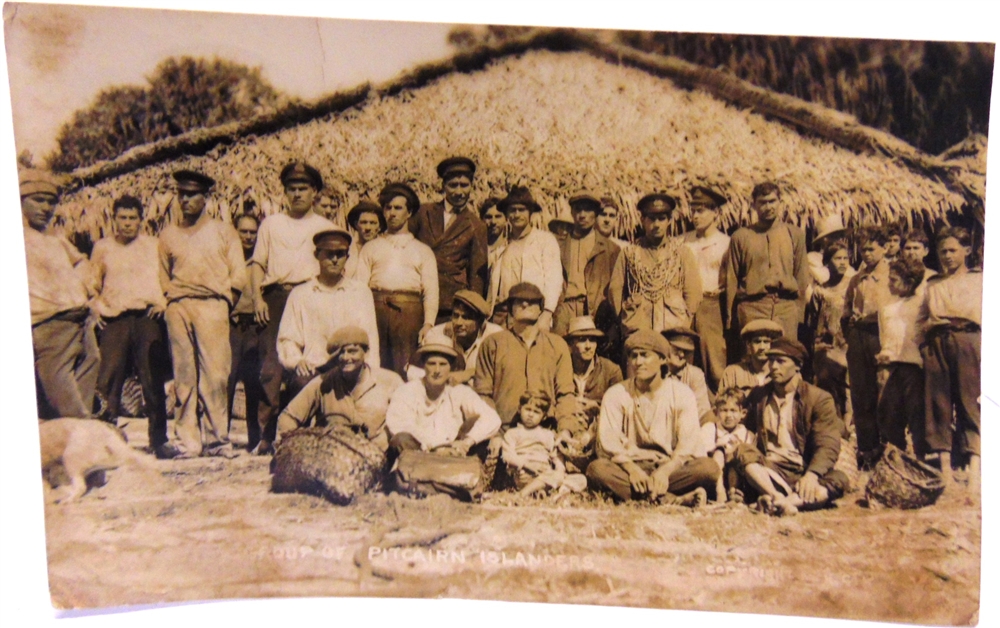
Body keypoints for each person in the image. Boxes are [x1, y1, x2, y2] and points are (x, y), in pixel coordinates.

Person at [249, 161, 338, 454]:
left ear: (314, 192)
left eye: (303, 188)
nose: (297, 194)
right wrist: (258, 298)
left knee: (311, 362)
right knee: (270, 368)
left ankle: (305, 430)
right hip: (275, 297)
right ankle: (266, 435)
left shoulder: (325, 227)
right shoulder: (271, 224)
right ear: (285, 192)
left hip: (311, 297)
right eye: (292, 189)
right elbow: (258, 264)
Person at [158, 169, 247, 459]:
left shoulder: (224, 230)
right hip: (179, 306)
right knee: (184, 377)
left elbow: (238, 275)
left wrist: (224, 304)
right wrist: (173, 304)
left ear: (205, 197)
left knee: (216, 375)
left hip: (213, 306)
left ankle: (218, 440)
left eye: (192, 194)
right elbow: (162, 275)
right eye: (181, 194)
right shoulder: (169, 234)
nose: (185, 200)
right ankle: (188, 442)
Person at [587, 329, 719, 506]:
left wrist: (665, 471)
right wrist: (632, 469)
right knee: (597, 470)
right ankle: (671, 500)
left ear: (663, 359)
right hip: (630, 467)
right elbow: (608, 441)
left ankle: (645, 497)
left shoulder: (681, 393)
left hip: (670, 467)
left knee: (708, 469)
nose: (638, 362)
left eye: (644, 355)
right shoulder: (616, 393)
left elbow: (688, 443)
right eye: (633, 356)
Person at [731, 337, 849, 516]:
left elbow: (827, 445)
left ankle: (784, 503)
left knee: (839, 479)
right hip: (767, 470)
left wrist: (812, 475)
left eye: (780, 361)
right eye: (771, 361)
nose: (773, 367)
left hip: (801, 471)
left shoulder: (818, 399)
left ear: (798, 365)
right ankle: (777, 497)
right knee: (743, 451)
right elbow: (735, 416)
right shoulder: (759, 396)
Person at [90, 195, 170, 453]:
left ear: (141, 219)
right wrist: (96, 308)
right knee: (108, 378)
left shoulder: (154, 245)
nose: (127, 223)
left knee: (152, 378)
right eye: (122, 218)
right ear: (114, 219)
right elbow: (91, 285)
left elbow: (168, 277)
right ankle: (104, 439)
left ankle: (159, 441)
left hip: (147, 317)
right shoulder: (102, 247)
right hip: (115, 319)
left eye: (132, 218)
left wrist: (164, 302)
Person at [20, 168, 100, 419]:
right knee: (59, 385)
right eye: (37, 200)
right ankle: (85, 433)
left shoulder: (55, 238)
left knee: (91, 362)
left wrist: (88, 287)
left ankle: (78, 435)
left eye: (51, 202)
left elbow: (81, 261)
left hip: (79, 317)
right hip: (49, 322)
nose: (46, 208)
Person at [385, 340, 502, 500]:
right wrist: (435, 448)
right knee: (400, 440)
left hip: (453, 456)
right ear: (423, 366)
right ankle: (436, 487)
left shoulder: (459, 392)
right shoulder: (408, 391)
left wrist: (467, 442)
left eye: (443, 364)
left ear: (451, 368)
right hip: (420, 455)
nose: (437, 370)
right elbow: (399, 424)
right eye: (431, 364)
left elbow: (492, 418)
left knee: (478, 430)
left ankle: (442, 487)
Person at [277, 229, 380, 400]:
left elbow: (370, 338)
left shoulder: (360, 292)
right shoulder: (301, 293)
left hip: (351, 366)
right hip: (316, 367)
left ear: (347, 257)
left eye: (340, 254)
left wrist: (370, 370)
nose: (334, 259)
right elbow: (287, 338)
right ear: (317, 255)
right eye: (328, 254)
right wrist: (297, 361)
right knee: (301, 385)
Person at [918, 227, 981, 493]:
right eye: (942, 251)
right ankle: (945, 468)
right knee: (938, 403)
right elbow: (920, 319)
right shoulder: (932, 284)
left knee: (971, 401)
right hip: (937, 342)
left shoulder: (981, 280)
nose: (947, 256)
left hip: (969, 340)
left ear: (967, 250)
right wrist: (924, 346)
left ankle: (974, 470)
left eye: (953, 250)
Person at [355, 183, 439, 376]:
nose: (392, 213)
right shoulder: (371, 248)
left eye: (398, 208)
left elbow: (431, 292)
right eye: (388, 208)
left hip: (408, 315)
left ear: (409, 213)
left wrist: (428, 324)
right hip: (376, 311)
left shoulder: (422, 250)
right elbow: (359, 289)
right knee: (375, 365)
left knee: (407, 367)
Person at [276, 326, 403, 451]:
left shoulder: (389, 381)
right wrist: (290, 448)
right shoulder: (323, 383)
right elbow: (288, 417)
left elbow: (408, 419)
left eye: (352, 351)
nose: (346, 358)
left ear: (366, 352)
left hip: (378, 456)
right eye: (341, 353)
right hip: (335, 459)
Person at [474, 282, 577, 431]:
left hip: (546, 432)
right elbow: (483, 395)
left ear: (541, 308)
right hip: (502, 432)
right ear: (510, 308)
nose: (524, 304)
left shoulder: (557, 345)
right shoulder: (493, 344)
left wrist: (565, 431)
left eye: (532, 301)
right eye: (518, 300)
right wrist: (492, 434)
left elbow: (565, 395)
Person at [608, 193, 702, 343]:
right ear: (642, 220)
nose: (656, 224)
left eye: (662, 219)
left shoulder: (682, 253)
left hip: (673, 330)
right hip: (638, 330)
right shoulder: (629, 253)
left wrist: (683, 323)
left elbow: (693, 293)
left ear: (670, 221)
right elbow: (615, 290)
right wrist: (627, 321)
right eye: (651, 219)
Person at [722, 182, 810, 343]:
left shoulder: (795, 234)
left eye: (772, 201)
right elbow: (732, 279)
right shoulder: (741, 237)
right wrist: (731, 319)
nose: (768, 207)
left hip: (785, 309)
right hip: (752, 308)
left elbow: (802, 277)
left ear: (780, 202)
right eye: (762, 202)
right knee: (753, 359)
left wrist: (799, 315)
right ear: (753, 205)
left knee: (784, 359)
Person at [410, 157, 489, 323]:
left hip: (450, 305)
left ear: (471, 187)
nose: (459, 191)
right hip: (417, 297)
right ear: (443, 186)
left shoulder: (476, 225)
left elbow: (476, 276)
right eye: (453, 185)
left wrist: (471, 312)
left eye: (464, 185)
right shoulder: (424, 213)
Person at [842, 226, 893, 469]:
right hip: (860, 337)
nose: (867, 254)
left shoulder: (893, 275)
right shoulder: (856, 279)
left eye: (871, 249)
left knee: (885, 393)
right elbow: (846, 312)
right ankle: (868, 452)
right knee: (861, 395)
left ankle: (891, 451)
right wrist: (852, 332)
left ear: (884, 248)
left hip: (883, 337)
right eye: (863, 250)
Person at [487, 187, 562, 329]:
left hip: (533, 313)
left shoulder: (544, 241)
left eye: (521, 210)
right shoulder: (502, 248)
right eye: (512, 210)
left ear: (530, 213)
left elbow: (554, 281)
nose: (517, 214)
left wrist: (546, 314)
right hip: (504, 316)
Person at [555, 316, 623, 472]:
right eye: (582, 340)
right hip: (566, 427)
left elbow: (620, 409)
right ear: (571, 344)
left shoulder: (611, 370)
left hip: (597, 432)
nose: (588, 346)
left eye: (592, 340)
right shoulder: (560, 368)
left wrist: (598, 407)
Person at [876, 258, 926, 456]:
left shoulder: (921, 303)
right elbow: (884, 335)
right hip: (889, 365)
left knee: (915, 413)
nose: (889, 284)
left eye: (894, 280)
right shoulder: (886, 305)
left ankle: (921, 458)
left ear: (910, 282)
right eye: (889, 279)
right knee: (888, 413)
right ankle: (897, 455)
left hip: (913, 366)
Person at [682, 186, 730, 392]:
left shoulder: (726, 243)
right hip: (685, 306)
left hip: (713, 306)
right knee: (686, 360)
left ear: (716, 213)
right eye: (693, 210)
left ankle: (724, 407)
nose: (695, 216)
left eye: (701, 211)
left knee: (715, 362)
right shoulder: (683, 241)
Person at [552, 194, 621, 336]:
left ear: (595, 213)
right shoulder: (558, 245)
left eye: (588, 210)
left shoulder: (611, 249)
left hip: (594, 310)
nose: (582, 215)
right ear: (572, 212)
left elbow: (617, 288)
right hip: (564, 309)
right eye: (578, 210)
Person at [405, 290, 503, 385]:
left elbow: (502, 372)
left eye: (466, 317)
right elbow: (413, 371)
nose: (459, 323)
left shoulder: (495, 336)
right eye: (456, 316)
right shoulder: (437, 334)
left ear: (480, 322)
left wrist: (470, 373)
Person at [502, 391, 588, 498]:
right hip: (524, 472)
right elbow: (507, 455)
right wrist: (526, 465)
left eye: (536, 412)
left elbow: (556, 456)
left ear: (543, 417)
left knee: (581, 479)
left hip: (544, 472)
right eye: (527, 409)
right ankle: (524, 493)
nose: (530, 415)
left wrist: (559, 470)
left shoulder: (547, 434)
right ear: (520, 409)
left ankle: (540, 492)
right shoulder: (513, 433)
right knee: (550, 478)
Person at [227, 212, 265, 450]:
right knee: (227, 379)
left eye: (253, 232)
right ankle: (220, 436)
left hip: (255, 327)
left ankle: (255, 439)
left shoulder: (262, 262)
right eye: (244, 231)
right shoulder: (227, 260)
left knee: (254, 382)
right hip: (231, 326)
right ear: (235, 232)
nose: (249, 237)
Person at [811, 238, 856, 423]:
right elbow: (815, 316)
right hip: (825, 344)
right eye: (838, 258)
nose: (843, 262)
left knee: (848, 385)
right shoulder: (820, 288)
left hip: (846, 342)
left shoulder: (853, 284)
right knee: (826, 383)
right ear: (828, 261)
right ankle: (832, 422)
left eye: (846, 258)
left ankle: (848, 423)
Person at [701, 388, 756, 504]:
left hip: (739, 477)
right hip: (715, 477)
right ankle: (720, 492)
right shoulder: (710, 429)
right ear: (716, 412)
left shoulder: (747, 435)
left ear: (743, 413)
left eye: (733, 410)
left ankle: (733, 492)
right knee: (719, 452)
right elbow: (704, 455)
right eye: (724, 410)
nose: (728, 415)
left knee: (736, 459)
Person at [661, 327, 715, 426]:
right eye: (676, 349)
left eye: (686, 351)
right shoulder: (656, 371)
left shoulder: (695, 374)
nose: (681, 355)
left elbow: (702, 411)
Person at [718, 320, 784, 395]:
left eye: (766, 342)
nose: (762, 347)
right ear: (748, 344)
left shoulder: (781, 374)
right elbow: (721, 403)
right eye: (757, 342)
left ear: (773, 345)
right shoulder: (733, 373)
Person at [343, 199, 385, 279]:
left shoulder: (384, 250)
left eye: (372, 223)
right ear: (356, 225)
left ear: (379, 227)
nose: (368, 228)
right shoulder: (348, 248)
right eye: (363, 222)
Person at [901, 230, 936, 296]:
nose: (911, 252)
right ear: (902, 252)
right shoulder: (896, 276)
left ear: (926, 251)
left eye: (916, 248)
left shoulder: (932, 276)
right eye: (908, 248)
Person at [480, 197, 507, 283]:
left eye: (498, 216)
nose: (493, 222)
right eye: (488, 217)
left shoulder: (510, 248)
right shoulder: (477, 249)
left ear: (506, 219)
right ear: (482, 219)